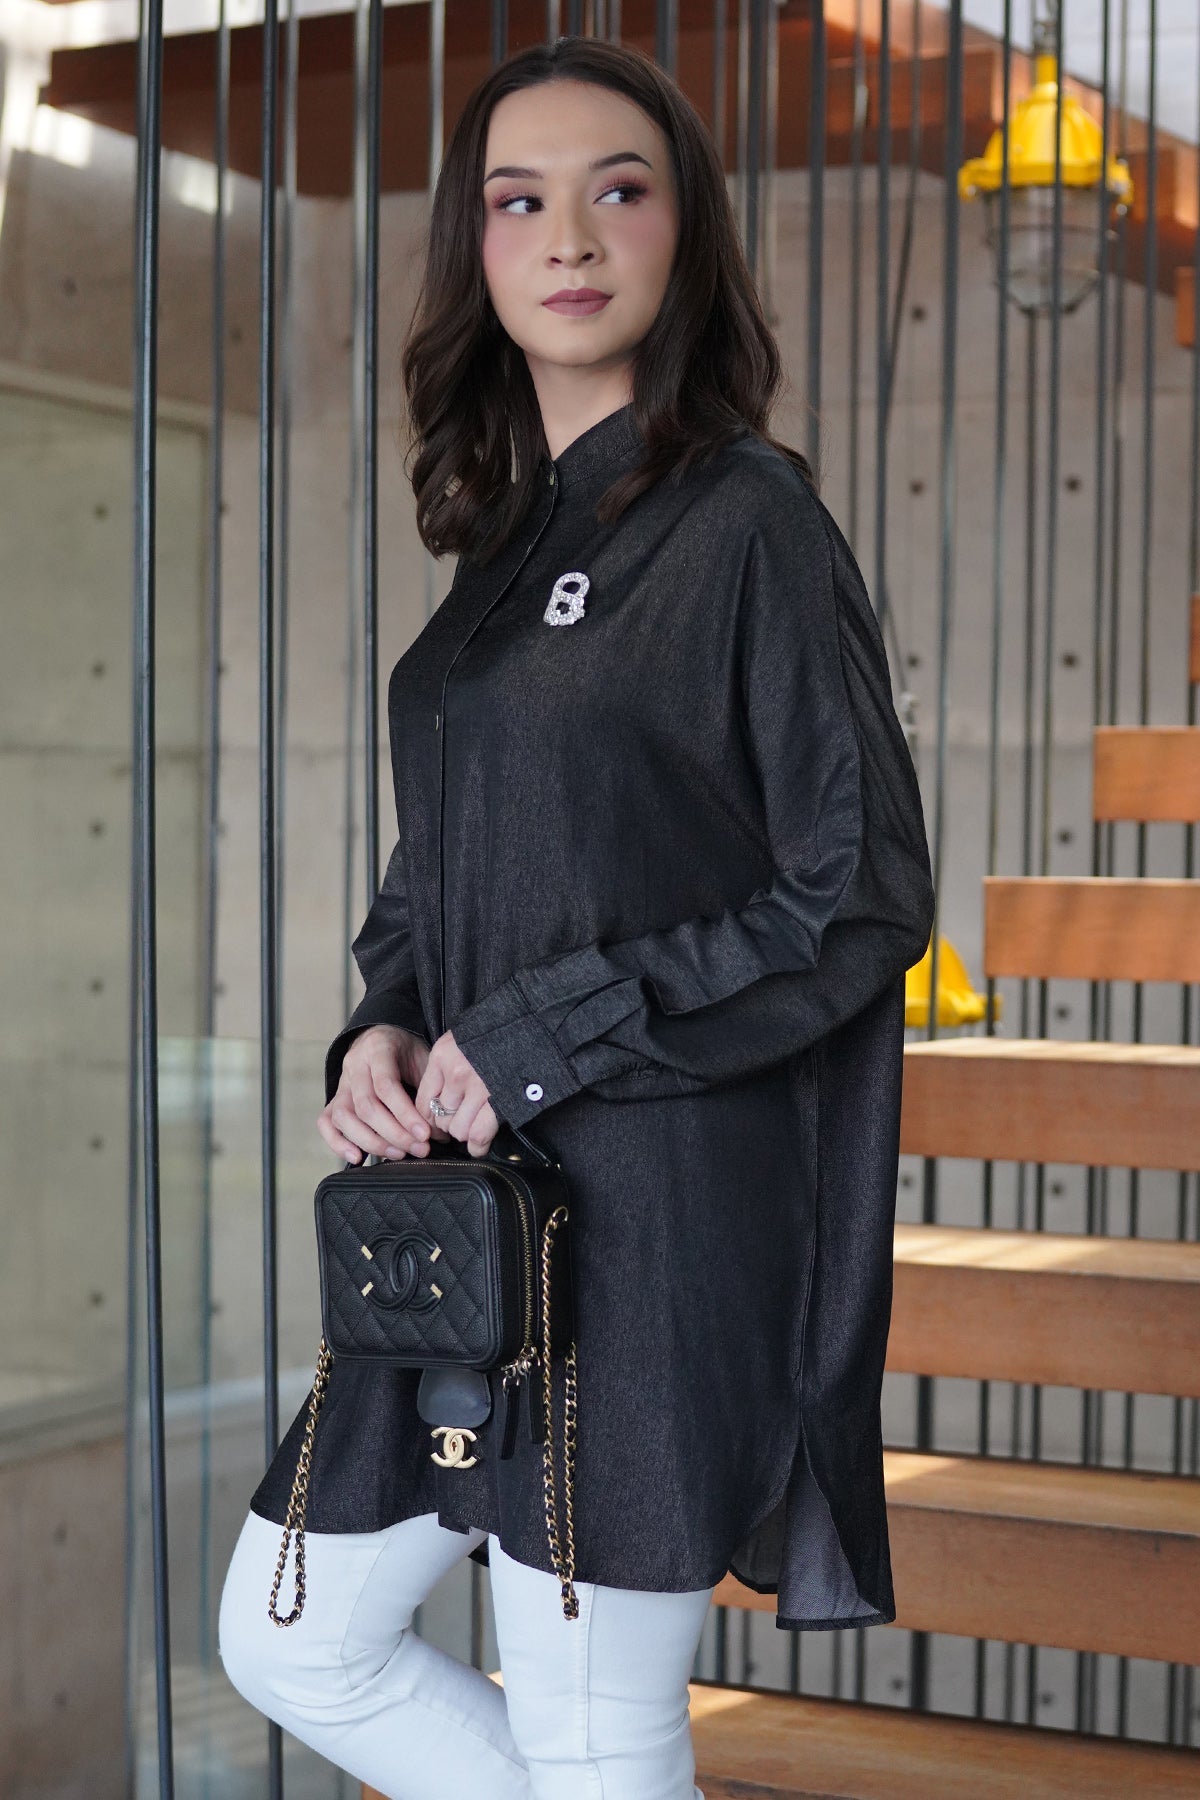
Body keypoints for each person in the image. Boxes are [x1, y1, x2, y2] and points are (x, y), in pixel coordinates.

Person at [218, 32, 935, 1800]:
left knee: (594, 1740)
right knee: (291, 1639)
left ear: (687, 229)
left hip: (658, 1225)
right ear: (472, 244)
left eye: (620, 188)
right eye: (517, 199)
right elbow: (448, 860)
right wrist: (385, 1021)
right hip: (470, 1227)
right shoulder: (505, 536)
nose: (570, 235)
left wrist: (543, 1030)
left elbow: (861, 893)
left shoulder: (748, 519)